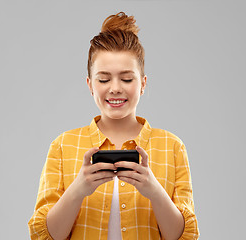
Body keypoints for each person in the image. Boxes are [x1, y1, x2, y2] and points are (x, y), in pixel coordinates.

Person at [28, 12, 199, 240]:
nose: (115, 88)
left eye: (127, 79)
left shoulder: (172, 147)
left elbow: (184, 237)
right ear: (90, 84)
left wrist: (154, 191)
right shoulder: (62, 146)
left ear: (143, 84)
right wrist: (78, 189)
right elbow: (44, 236)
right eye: (104, 79)